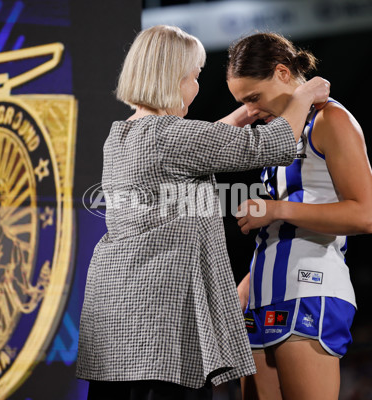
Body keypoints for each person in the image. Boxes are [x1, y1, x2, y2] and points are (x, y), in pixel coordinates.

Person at [74, 25, 330, 399]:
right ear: (173, 79)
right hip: (159, 326)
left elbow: (192, 149)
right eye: (194, 77)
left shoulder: (122, 135)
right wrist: (305, 94)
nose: (195, 88)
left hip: (117, 321)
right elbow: (268, 147)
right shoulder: (168, 135)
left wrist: (243, 114)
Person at [226, 32, 372, 400]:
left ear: (281, 72)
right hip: (262, 294)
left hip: (311, 288)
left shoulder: (331, 120)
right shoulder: (279, 131)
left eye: (253, 98)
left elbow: (365, 214)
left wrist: (276, 208)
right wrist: (249, 281)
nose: (252, 111)